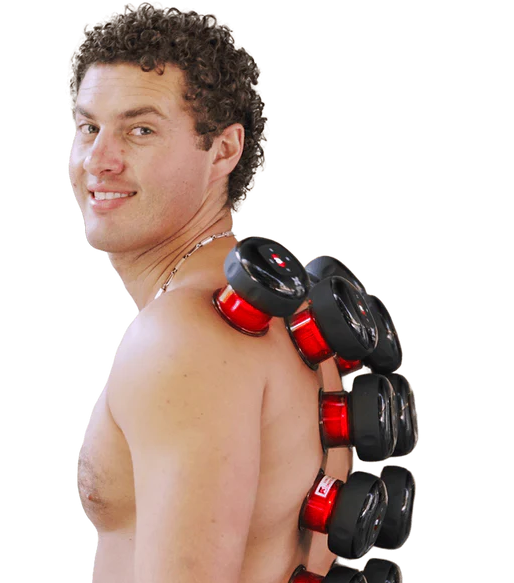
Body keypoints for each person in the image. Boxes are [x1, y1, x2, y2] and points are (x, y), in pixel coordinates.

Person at [68, 3, 352, 582]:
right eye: (89, 127)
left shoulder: (185, 337)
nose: (98, 160)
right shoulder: (281, 304)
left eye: (140, 130)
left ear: (224, 150)